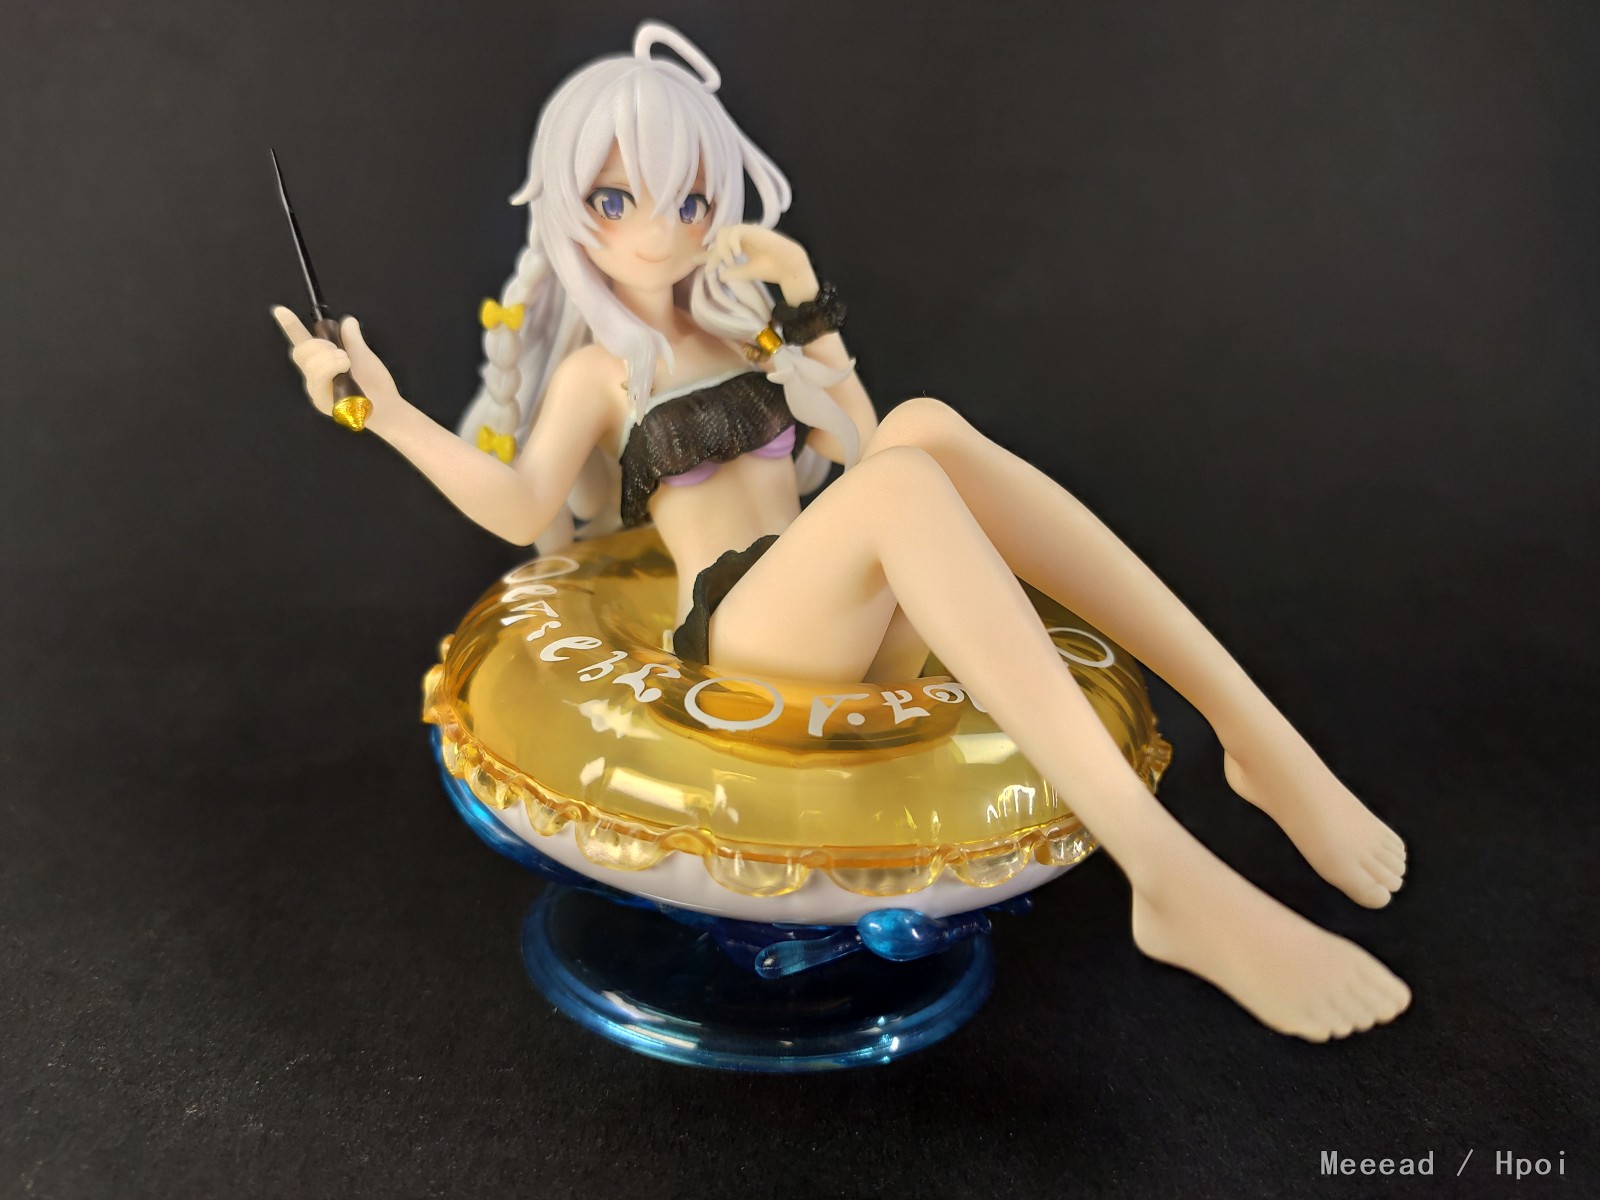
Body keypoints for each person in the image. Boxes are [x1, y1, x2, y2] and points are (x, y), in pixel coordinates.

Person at [273, 21, 1410, 1041]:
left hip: (843, 614)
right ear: (572, 213)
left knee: (922, 428)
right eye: (616, 203)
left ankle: (1254, 734)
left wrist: (807, 305)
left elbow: (867, 451)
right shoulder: (598, 375)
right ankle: (1167, 875)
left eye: (689, 202)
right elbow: (523, 508)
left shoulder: (739, 332)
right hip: (743, 635)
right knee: (904, 475)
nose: (658, 233)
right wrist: (386, 410)